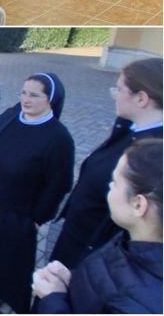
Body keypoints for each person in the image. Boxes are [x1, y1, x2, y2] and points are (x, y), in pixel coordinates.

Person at [0, 73, 75, 313]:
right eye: (23, 93)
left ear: (50, 99)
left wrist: (39, 218)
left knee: (3, 258)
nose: (25, 99)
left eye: (34, 95)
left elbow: (59, 185)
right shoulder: (12, 115)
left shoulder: (59, 139)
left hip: (16, 212)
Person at [50, 57, 163, 269]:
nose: (114, 95)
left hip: (90, 255)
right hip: (78, 234)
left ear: (141, 99)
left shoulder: (151, 153)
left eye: (119, 89)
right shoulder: (129, 128)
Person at [34, 139, 162, 314]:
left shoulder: (141, 304)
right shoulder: (130, 239)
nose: (109, 186)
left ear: (138, 205)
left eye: (115, 182)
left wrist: (53, 299)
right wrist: (72, 283)